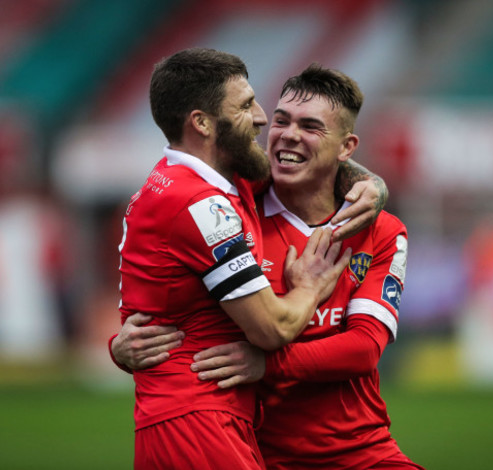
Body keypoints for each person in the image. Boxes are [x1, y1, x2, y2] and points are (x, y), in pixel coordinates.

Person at [114, 63, 423, 469]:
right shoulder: (234, 205)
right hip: (256, 450)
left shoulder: (381, 231)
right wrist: (122, 345)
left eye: (310, 126)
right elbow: (167, 288)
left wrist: (266, 364)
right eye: (281, 120)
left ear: (347, 147)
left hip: (358, 450)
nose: (287, 134)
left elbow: (364, 349)